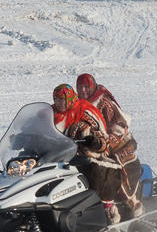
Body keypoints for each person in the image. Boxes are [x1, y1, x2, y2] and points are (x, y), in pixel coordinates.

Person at [51, 84, 123, 223]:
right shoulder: (51, 113)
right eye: (56, 99)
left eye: (62, 99)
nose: (58, 103)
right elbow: (42, 128)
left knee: (97, 172)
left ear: (70, 98)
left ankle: (107, 210)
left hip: (89, 155)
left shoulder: (85, 111)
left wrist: (94, 141)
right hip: (59, 156)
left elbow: (102, 138)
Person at [76, 73, 143, 219]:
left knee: (111, 164)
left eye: (86, 87)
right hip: (95, 143)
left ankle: (130, 202)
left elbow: (119, 125)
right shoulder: (78, 104)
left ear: (92, 87)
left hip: (118, 143)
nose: (83, 91)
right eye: (80, 87)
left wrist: (106, 140)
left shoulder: (103, 102)